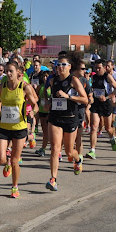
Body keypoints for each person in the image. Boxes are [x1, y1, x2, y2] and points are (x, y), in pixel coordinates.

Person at [46, 52, 88, 191]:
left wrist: (68, 96)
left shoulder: (74, 80)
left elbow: (85, 99)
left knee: (69, 152)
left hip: (70, 118)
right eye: (59, 65)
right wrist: (48, 102)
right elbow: (50, 97)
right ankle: (53, 179)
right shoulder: (53, 80)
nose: (61, 67)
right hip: (55, 118)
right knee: (55, 148)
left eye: (64, 65)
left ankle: (77, 160)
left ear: (70, 67)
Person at [0, 62, 38, 198]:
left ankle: (14, 187)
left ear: (18, 72)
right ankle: (6, 163)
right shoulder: (2, 86)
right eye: (7, 71)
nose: (8, 74)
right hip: (3, 126)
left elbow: (34, 104)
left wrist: (33, 112)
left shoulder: (24, 87)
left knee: (15, 160)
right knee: (1, 158)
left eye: (11, 71)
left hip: (19, 128)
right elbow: (1, 100)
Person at [86, 59, 116, 159]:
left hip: (106, 104)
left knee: (108, 128)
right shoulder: (94, 76)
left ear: (104, 67)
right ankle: (92, 150)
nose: (97, 69)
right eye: (96, 67)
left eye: (99, 68)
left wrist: (108, 97)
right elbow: (92, 89)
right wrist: (91, 96)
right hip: (96, 103)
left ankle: (112, 138)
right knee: (94, 127)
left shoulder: (107, 77)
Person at [35, 70, 51, 157]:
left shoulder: (52, 87)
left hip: (51, 111)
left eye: (47, 76)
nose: (45, 78)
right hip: (42, 111)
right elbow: (36, 98)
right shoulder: (40, 87)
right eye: (44, 76)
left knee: (52, 132)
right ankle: (43, 148)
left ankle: (56, 148)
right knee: (45, 131)